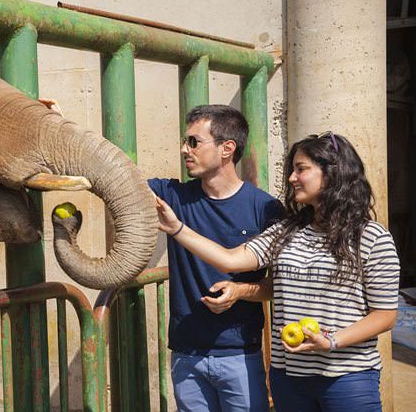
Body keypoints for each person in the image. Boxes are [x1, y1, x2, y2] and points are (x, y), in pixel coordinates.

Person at [155, 132, 400, 412]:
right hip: (289, 378)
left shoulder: (372, 238)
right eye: (292, 170)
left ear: (333, 173)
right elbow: (230, 260)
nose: (292, 178)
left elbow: (385, 315)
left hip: (348, 377)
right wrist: (177, 229)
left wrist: (331, 341)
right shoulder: (286, 232)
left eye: (302, 169)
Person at [148, 104, 282, 412]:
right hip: (186, 355)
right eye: (185, 141)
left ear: (227, 148)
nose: (185, 149)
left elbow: (275, 286)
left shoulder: (265, 209)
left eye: (194, 141)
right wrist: (62, 123)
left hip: (240, 355)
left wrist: (241, 291)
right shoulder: (174, 196)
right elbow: (113, 174)